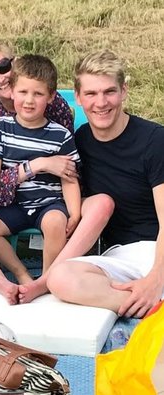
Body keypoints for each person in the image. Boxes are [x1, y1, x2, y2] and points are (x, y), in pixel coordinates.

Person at [0, 43, 82, 303]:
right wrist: (38, 165)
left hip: (49, 200)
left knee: (58, 220)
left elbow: (68, 171)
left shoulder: (56, 116)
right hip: (11, 202)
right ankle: (18, 277)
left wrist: (74, 211)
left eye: (2, 66)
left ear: (15, 63)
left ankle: (48, 281)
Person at [47, 49, 164, 318]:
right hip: (122, 257)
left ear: (123, 91)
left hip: (159, 248)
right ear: (78, 98)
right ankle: (151, 308)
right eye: (91, 94)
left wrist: (156, 277)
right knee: (61, 277)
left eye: (109, 91)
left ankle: (149, 298)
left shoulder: (155, 140)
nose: (101, 102)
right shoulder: (80, 142)